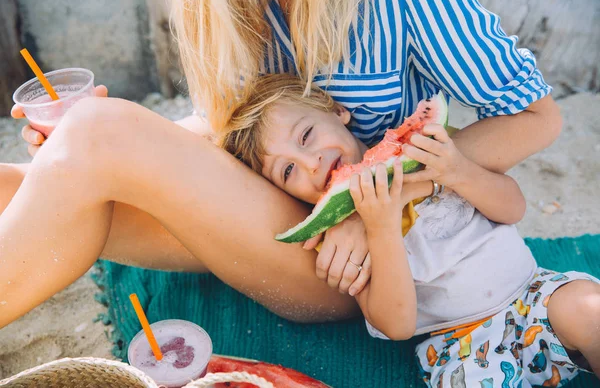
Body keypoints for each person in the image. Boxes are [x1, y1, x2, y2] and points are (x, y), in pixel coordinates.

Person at [2, 0, 562, 328]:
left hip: (357, 265)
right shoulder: (220, 4)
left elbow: (538, 118)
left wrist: (367, 209)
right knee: (27, 178)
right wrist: (84, 153)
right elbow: (228, 133)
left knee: (101, 130)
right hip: (262, 209)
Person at [219, 73, 600, 384]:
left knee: (590, 310)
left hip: (535, 297)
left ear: (336, 112)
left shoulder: (427, 152)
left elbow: (513, 208)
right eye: (287, 171)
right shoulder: (340, 240)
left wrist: (458, 171)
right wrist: (379, 228)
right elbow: (396, 325)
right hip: (461, 346)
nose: (311, 163)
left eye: (306, 136)